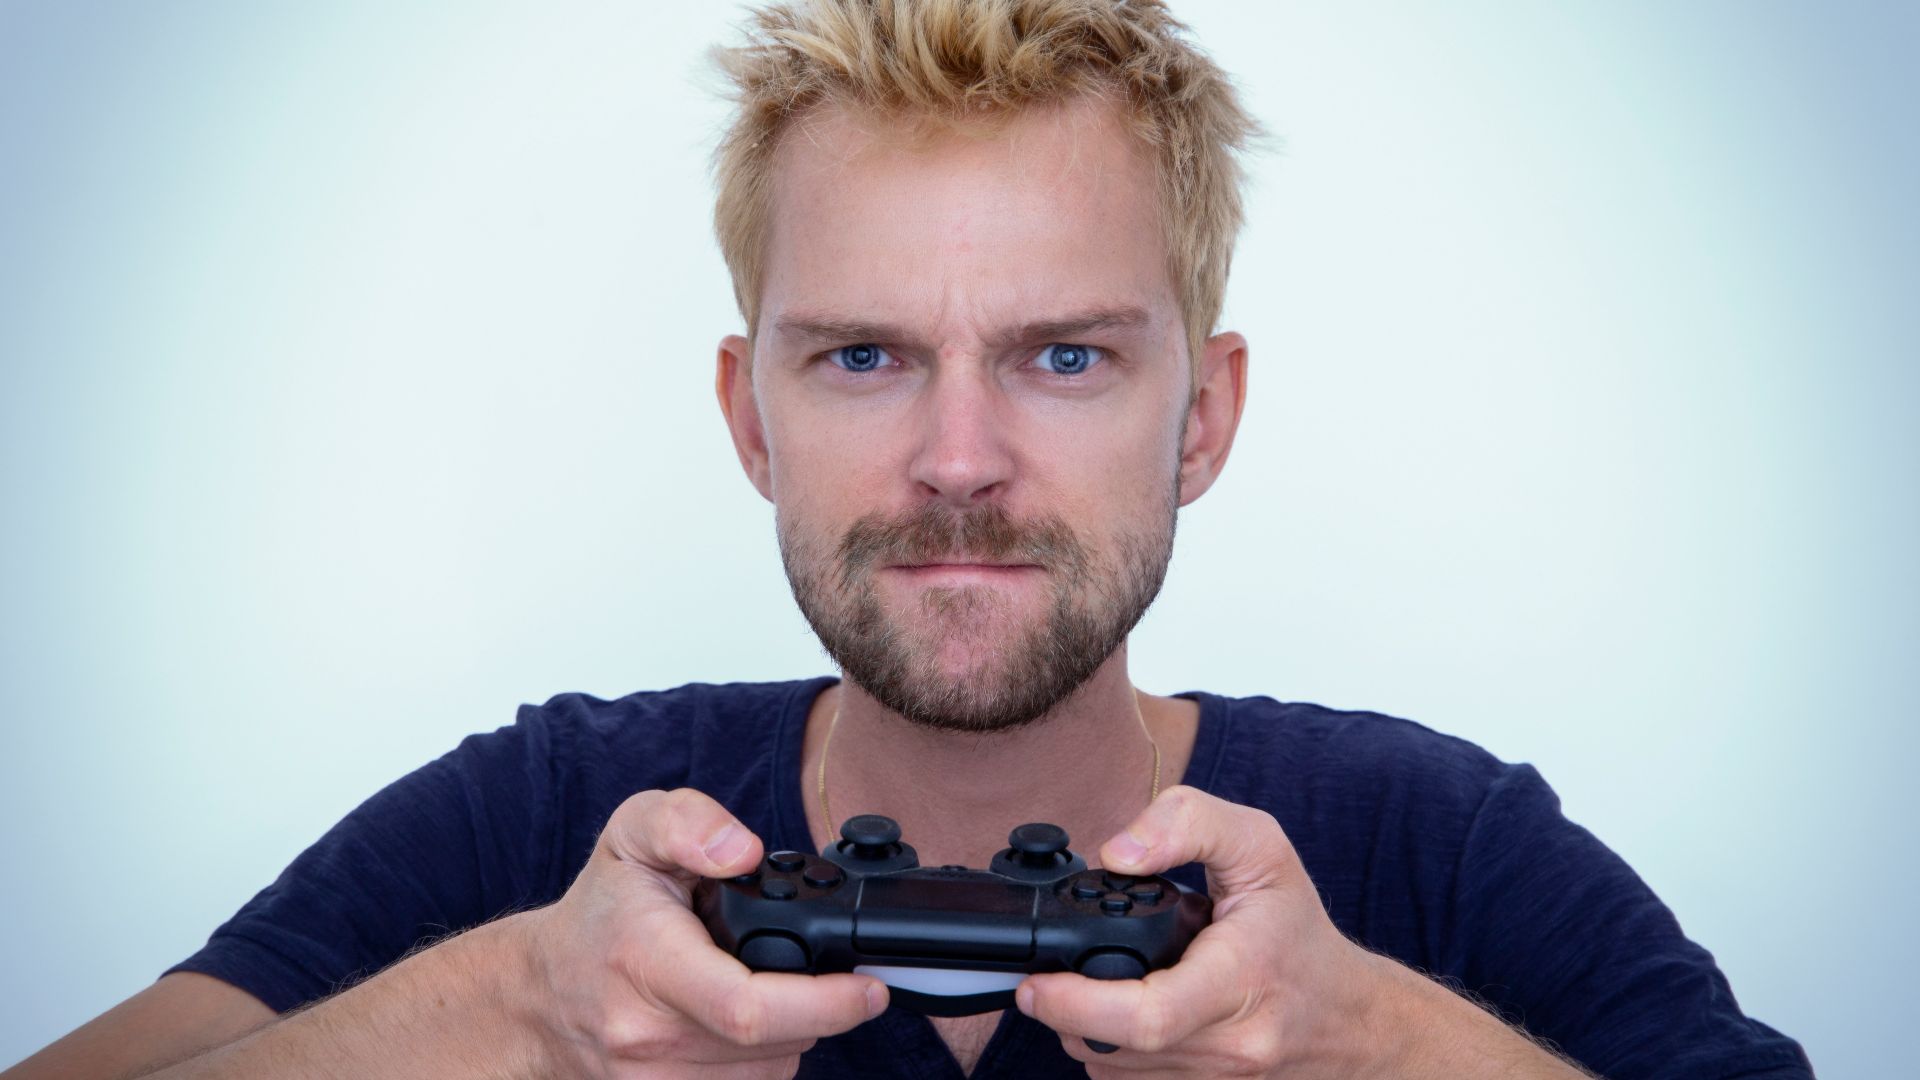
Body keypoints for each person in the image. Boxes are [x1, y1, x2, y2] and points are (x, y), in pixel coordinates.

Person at [4, 2, 1814, 1078]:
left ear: (1206, 417)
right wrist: (519, 1016)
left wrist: (1372, 1047)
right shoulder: (528, 828)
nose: (961, 459)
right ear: (747, 416)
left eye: (1065, 355)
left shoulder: (1448, 852)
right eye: (864, 355)